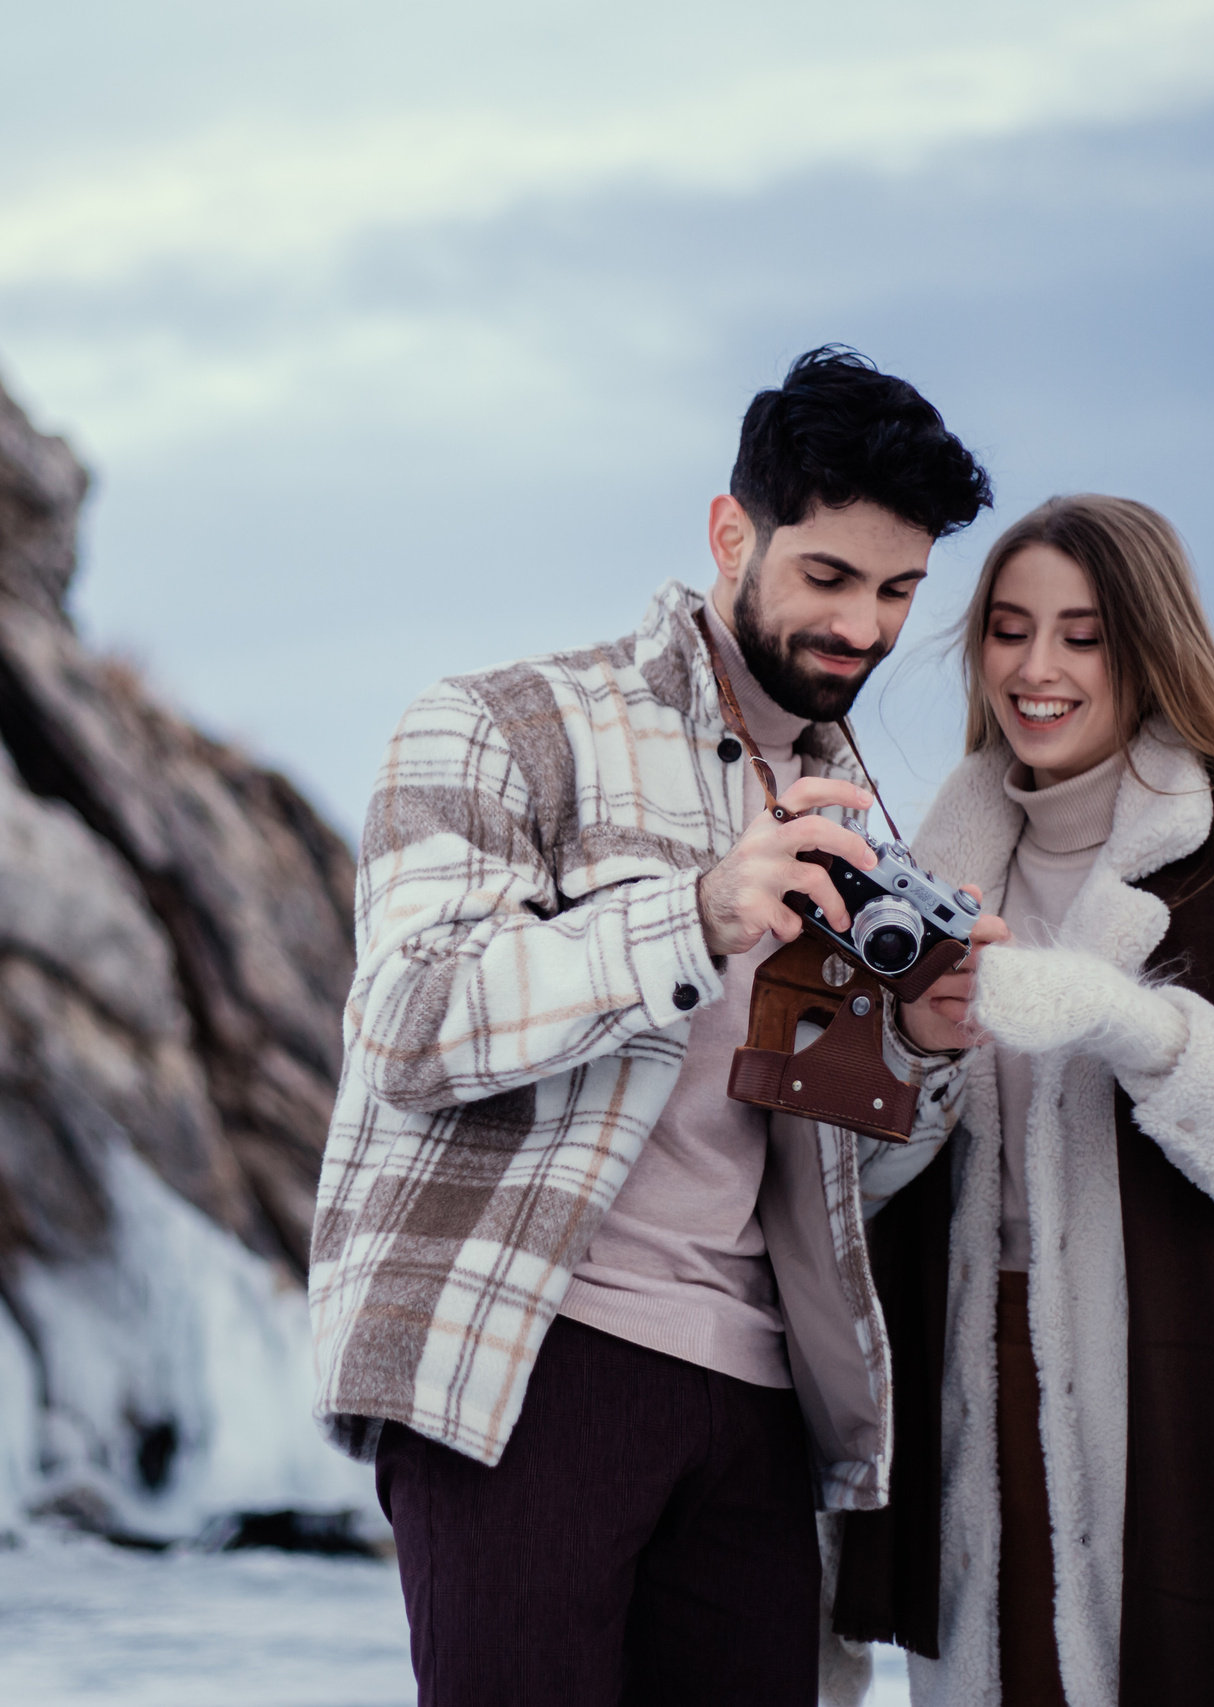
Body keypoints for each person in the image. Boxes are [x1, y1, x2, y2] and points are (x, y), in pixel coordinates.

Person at [308, 346, 1000, 1705]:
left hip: (753, 1396)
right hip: (528, 1359)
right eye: (829, 576)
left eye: (900, 590)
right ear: (729, 532)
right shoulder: (506, 725)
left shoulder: (854, 817)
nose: (864, 625)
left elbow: (835, 1176)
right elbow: (408, 1020)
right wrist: (692, 914)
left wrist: (921, 1049)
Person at [875, 494, 1214, 1707]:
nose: (1036, 668)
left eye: (1083, 634)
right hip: (991, 1419)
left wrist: (1136, 1026)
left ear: (1149, 645)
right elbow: (851, 1183)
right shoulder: (930, 875)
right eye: (1008, 628)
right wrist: (915, 1057)